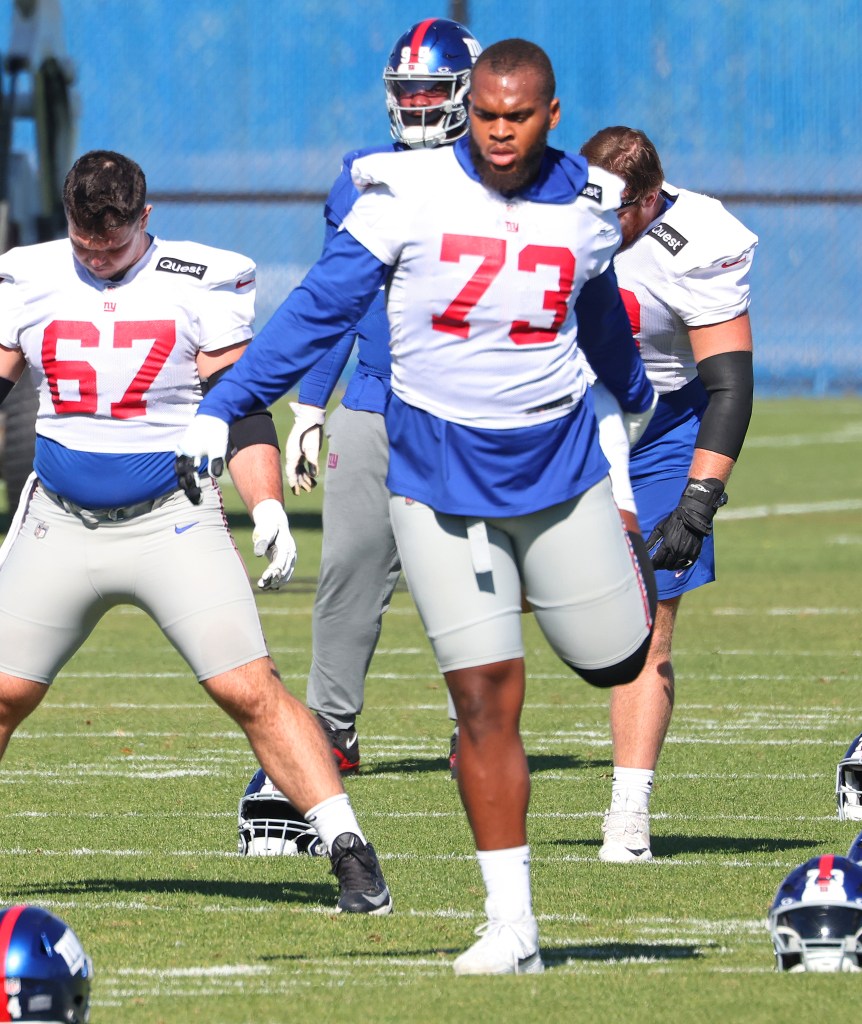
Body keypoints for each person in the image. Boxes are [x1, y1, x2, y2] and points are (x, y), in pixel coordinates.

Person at [180, 39, 657, 975]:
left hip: (557, 472)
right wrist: (227, 405)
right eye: (482, 114)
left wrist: (633, 392)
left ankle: (608, 605)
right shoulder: (397, 192)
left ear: (550, 116)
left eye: (515, 117)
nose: (497, 132)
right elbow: (320, 308)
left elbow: (597, 313)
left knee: (617, 658)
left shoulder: (595, 206)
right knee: (484, 702)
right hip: (435, 478)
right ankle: (511, 924)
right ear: (464, 110)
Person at [0, 150, 391, 915]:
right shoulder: (26, 271)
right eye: (85, 244)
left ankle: (349, 848)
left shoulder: (204, 276)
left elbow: (240, 407)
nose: (98, 259)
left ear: (146, 220)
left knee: (248, 687)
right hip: (59, 519)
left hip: (170, 517)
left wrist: (267, 505)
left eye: (112, 246)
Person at [285, 17, 482, 775]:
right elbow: (337, 298)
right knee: (349, 568)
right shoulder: (364, 173)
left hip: (466, 406)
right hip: (372, 397)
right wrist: (308, 403)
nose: (421, 104)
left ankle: (479, 723)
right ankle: (331, 727)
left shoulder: (500, 177)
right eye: (410, 91)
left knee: (470, 573)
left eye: (434, 89)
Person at [578, 126, 757, 862]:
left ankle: (628, 810)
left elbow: (729, 383)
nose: (596, 220)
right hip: (560, 415)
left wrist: (699, 500)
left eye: (614, 209)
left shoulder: (698, 241)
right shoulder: (553, 203)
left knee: (648, 625)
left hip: (661, 424)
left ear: (648, 200)